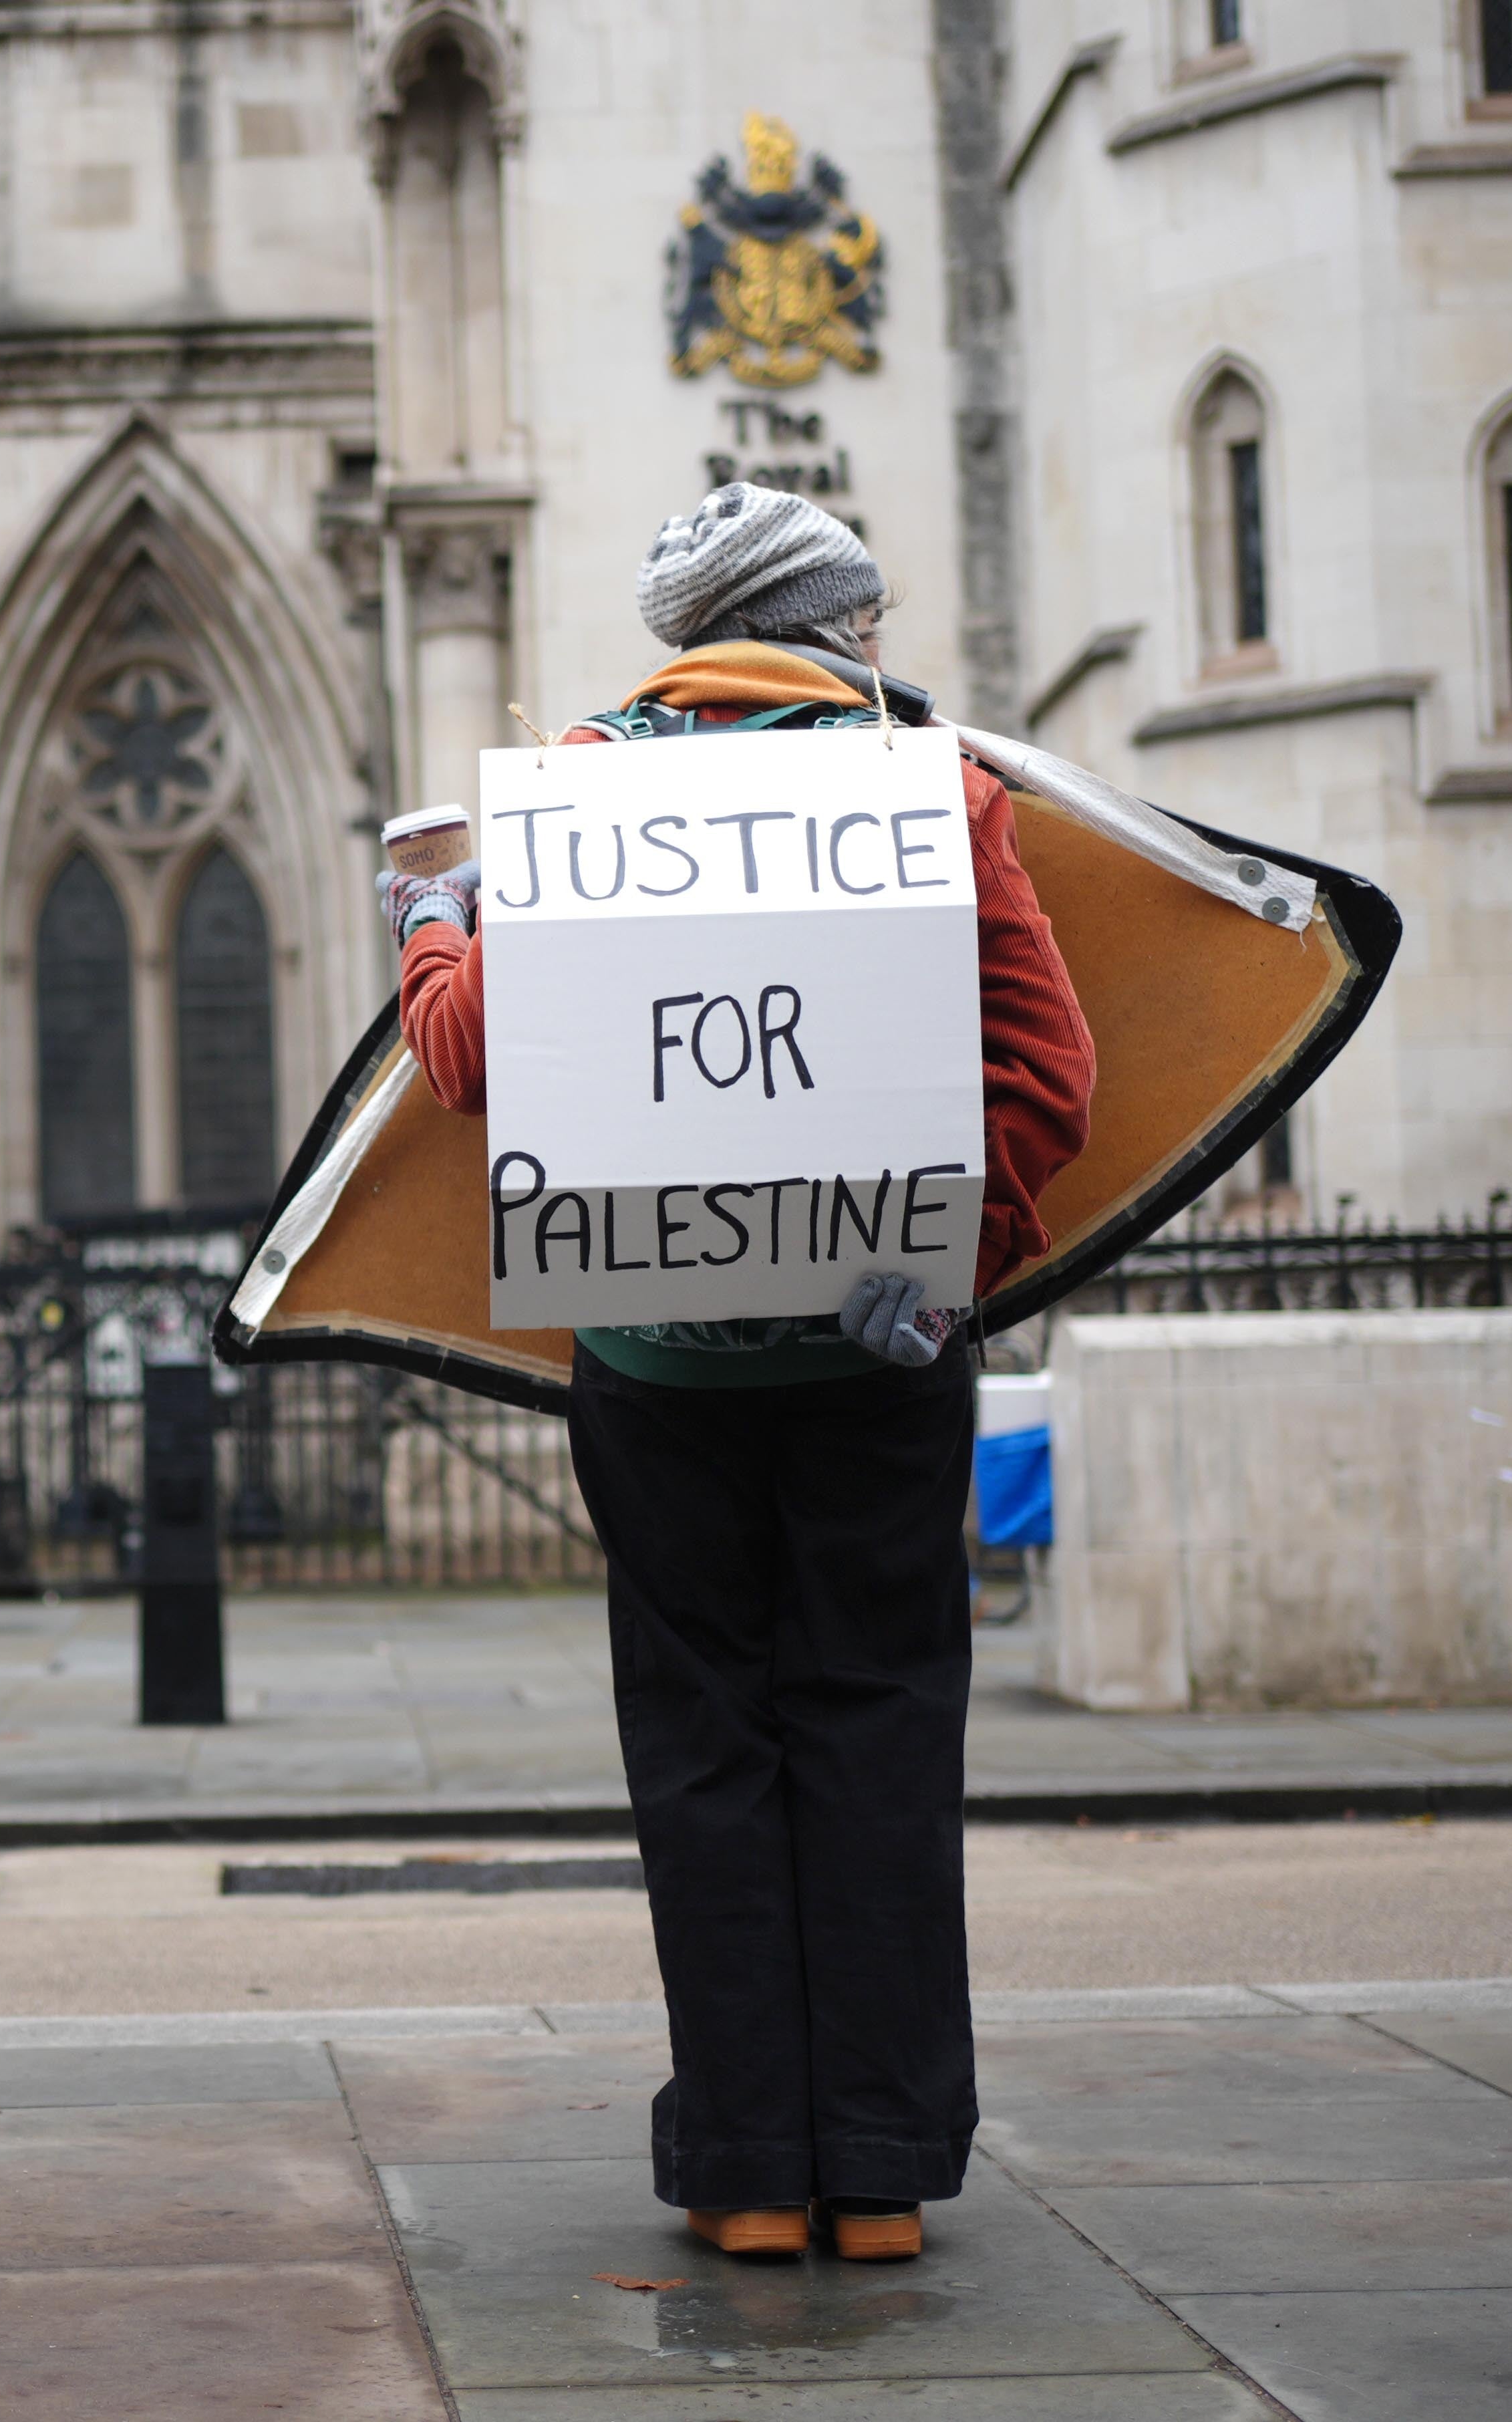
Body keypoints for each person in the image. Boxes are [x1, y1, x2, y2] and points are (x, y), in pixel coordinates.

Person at [381, 485, 1094, 2265]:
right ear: (835, 626)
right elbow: (1052, 1080)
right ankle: (882, 2179)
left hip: (659, 1367)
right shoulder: (943, 789)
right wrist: (943, 1278)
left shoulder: (586, 789)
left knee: (708, 1743)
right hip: (879, 1352)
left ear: (685, 644)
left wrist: (430, 919)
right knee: (879, 1720)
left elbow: (470, 1064)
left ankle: (751, 2176)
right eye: (866, 616)